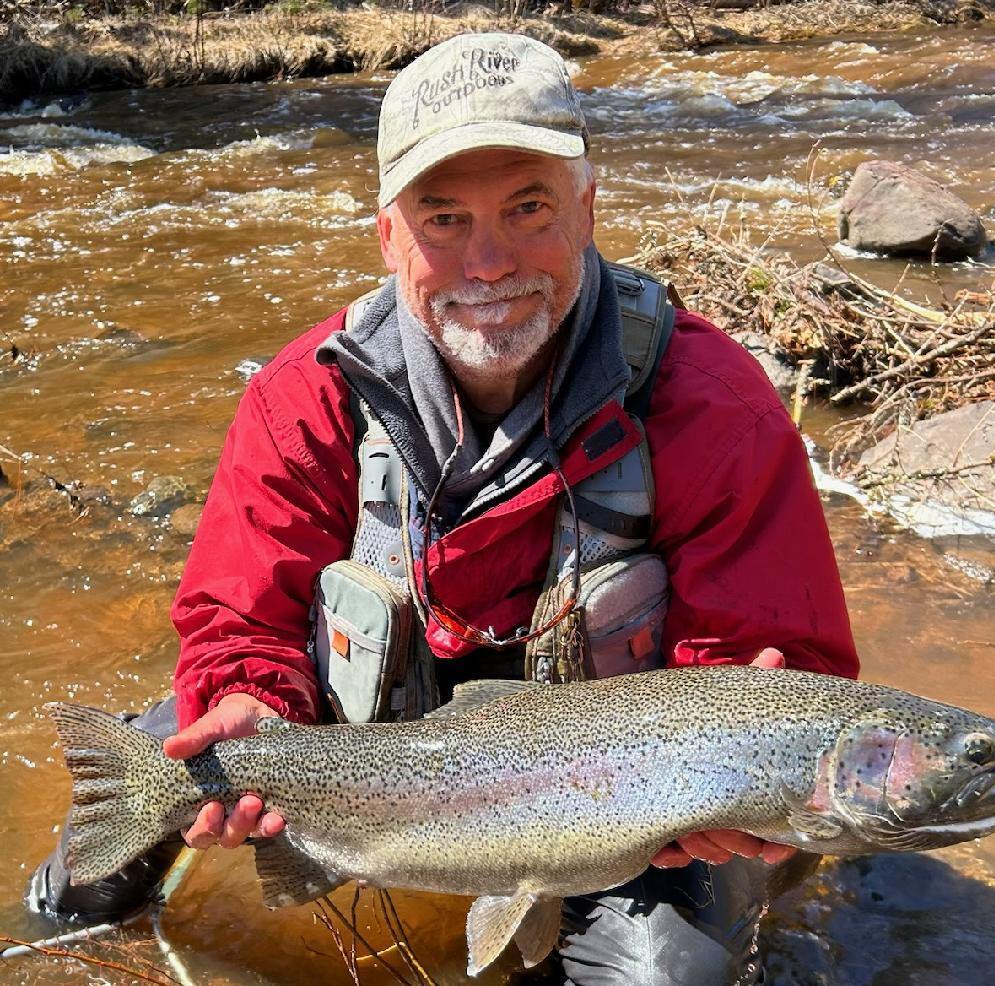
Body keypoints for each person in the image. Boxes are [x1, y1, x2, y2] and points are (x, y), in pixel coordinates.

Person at [29, 32, 858, 984]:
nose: (490, 261)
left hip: (611, 803)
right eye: (444, 218)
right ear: (388, 234)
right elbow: (238, 614)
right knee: (139, 802)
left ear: (589, 209)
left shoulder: (715, 406)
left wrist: (734, 787)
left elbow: (778, 668)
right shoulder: (304, 400)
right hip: (371, 755)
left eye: (529, 206)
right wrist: (245, 699)